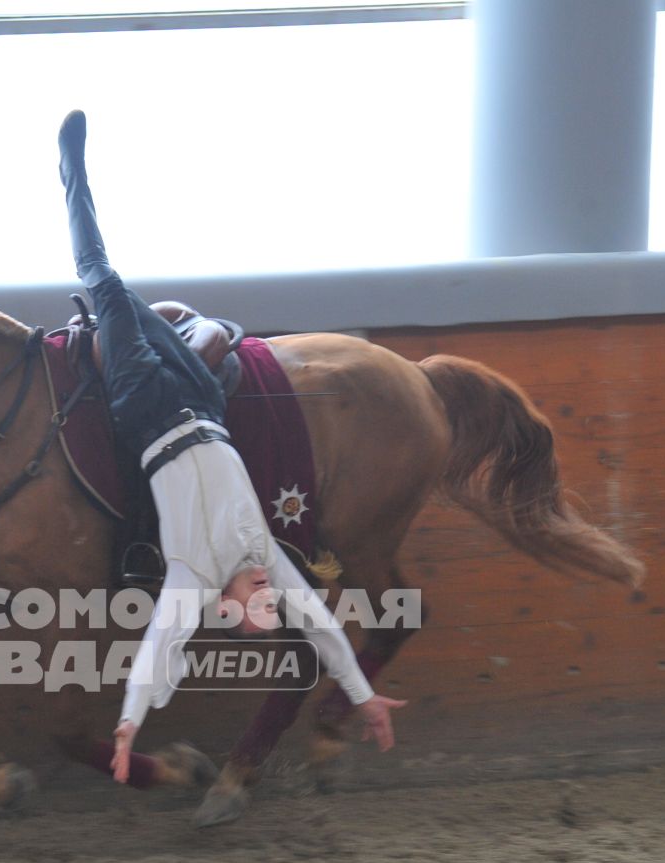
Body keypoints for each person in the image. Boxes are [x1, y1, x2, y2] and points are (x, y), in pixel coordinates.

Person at [55, 110, 406, 783]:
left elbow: (157, 653)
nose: (273, 601)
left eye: (259, 612)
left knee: (102, 278)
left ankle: (72, 168)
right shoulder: (267, 555)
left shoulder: (189, 575)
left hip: (147, 411)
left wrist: (128, 724)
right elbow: (330, 636)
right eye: (274, 604)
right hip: (204, 404)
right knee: (212, 337)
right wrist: (365, 697)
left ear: (228, 605)